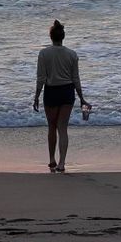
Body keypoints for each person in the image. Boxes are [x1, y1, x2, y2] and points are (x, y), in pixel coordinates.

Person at [33, 19, 90, 173]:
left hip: (51, 92)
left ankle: (52, 160)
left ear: (51, 37)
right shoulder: (72, 54)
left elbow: (41, 78)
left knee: (52, 127)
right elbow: (75, 78)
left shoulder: (44, 53)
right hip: (67, 92)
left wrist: (37, 96)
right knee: (62, 128)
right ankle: (62, 163)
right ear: (63, 37)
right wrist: (82, 98)